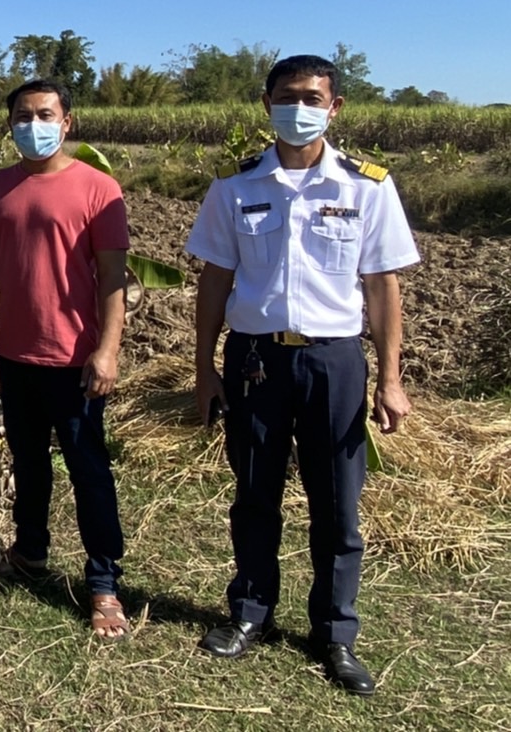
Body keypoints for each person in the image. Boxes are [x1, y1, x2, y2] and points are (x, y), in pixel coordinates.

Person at [186, 53, 418, 696]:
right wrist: (204, 368)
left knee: (338, 503)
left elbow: (382, 286)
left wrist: (390, 378)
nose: (299, 109)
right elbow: (215, 281)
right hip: (256, 360)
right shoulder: (235, 188)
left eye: (313, 98)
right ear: (267, 105)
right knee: (254, 492)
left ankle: (335, 632)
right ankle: (250, 613)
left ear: (334, 107)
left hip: (334, 360)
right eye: (287, 97)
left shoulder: (367, 187)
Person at [0, 79, 132, 640]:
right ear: (9, 124)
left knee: (88, 470)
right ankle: (31, 551)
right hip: (15, 353)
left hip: (75, 359)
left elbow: (113, 279)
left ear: (66, 122)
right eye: (22, 116)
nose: (33, 125)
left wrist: (107, 350)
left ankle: (103, 582)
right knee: (29, 462)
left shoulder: (99, 189)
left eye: (44, 114)